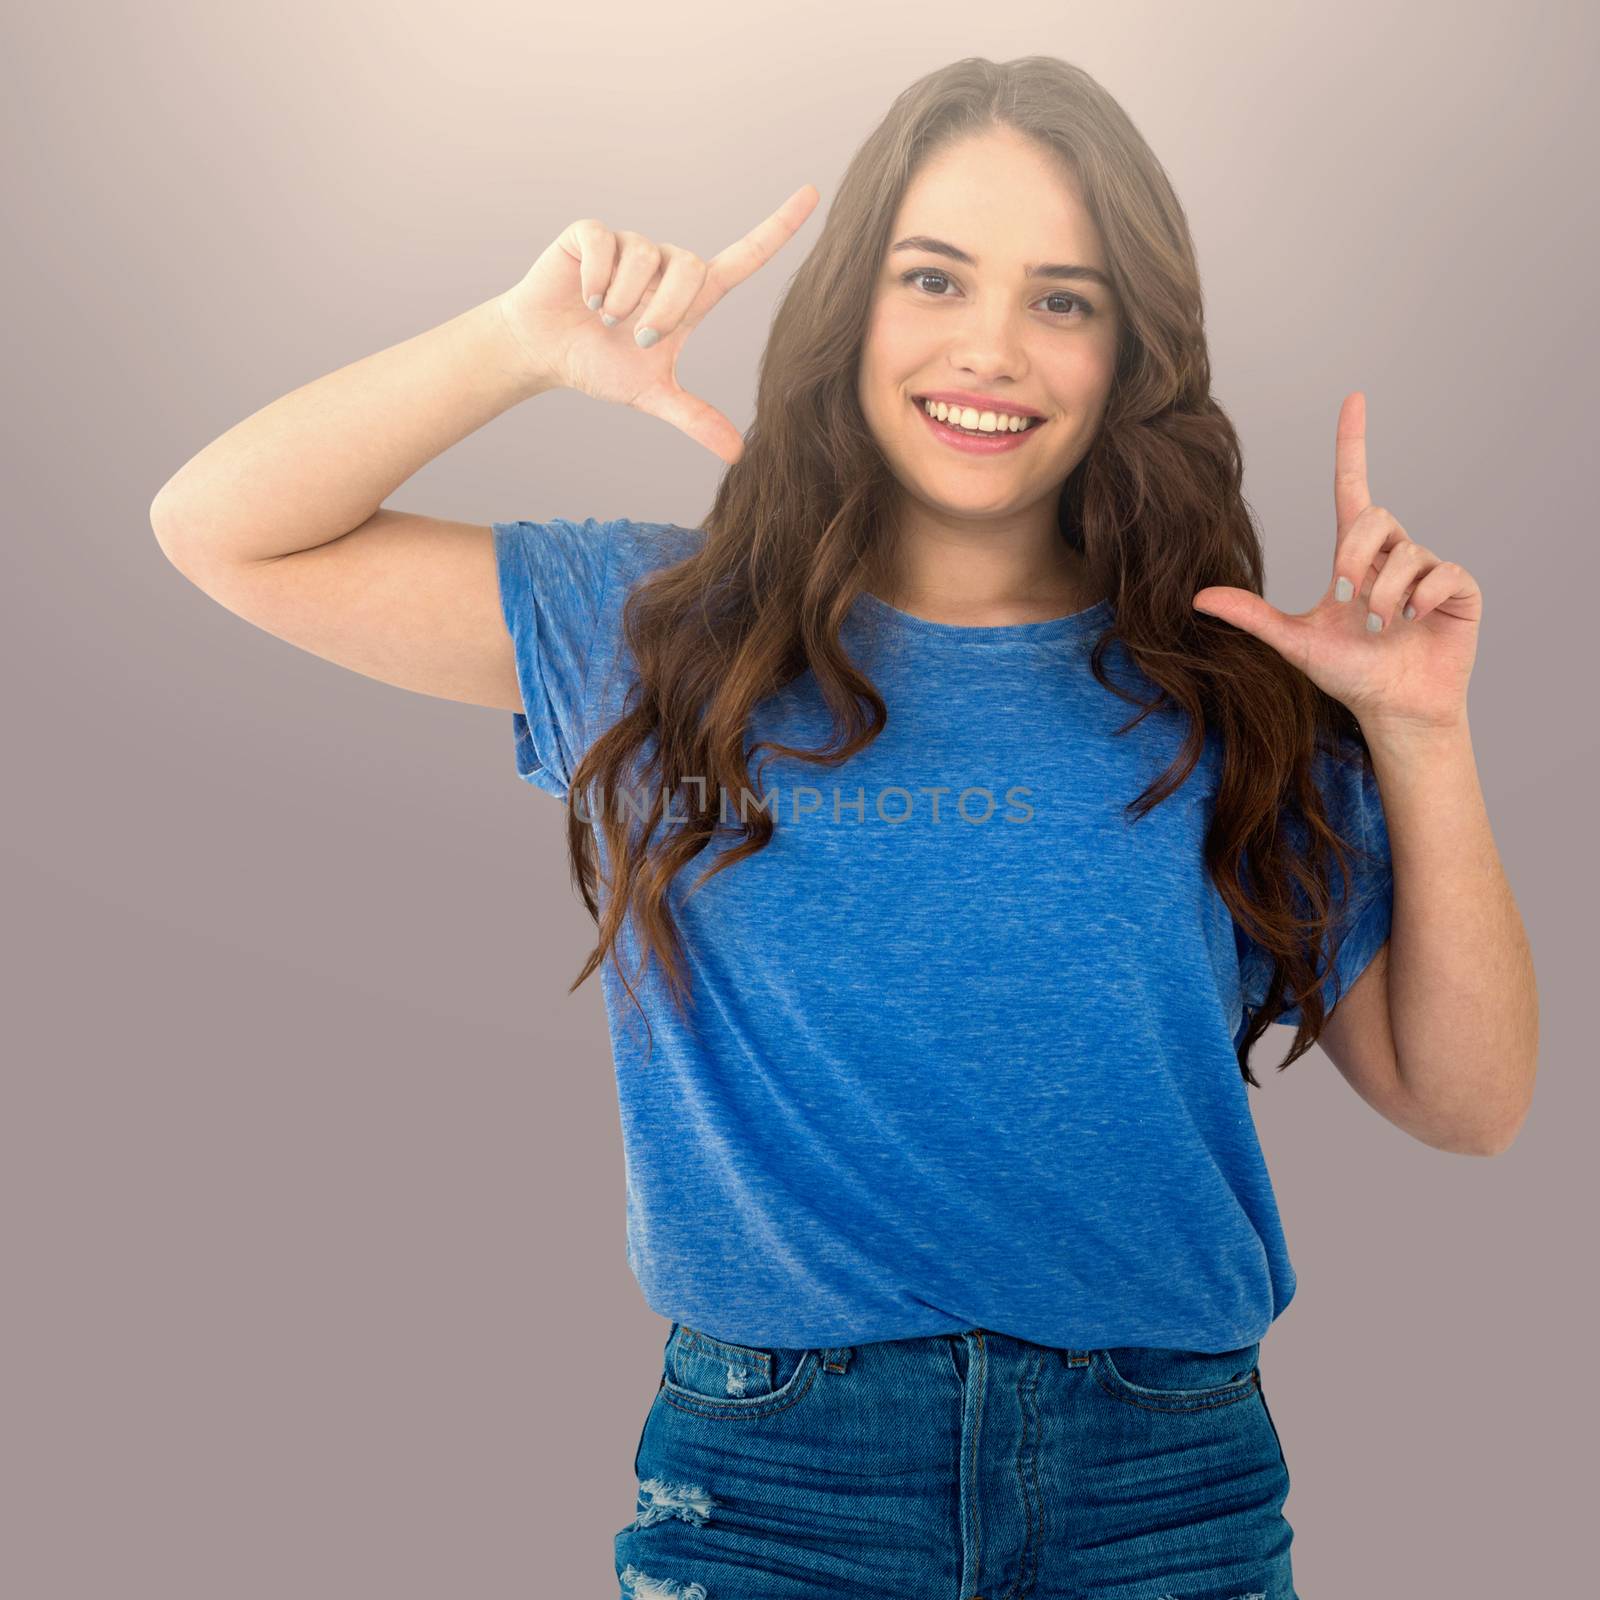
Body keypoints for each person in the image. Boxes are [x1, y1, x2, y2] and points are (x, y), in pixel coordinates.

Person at [150, 54, 1536, 1600]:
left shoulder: (1233, 692)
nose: (991, 349)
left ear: (1128, 350)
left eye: (1064, 300)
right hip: (776, 1494)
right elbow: (224, 529)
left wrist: (1418, 729)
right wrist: (514, 344)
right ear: (849, 309)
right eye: (933, 277)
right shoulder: (657, 628)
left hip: (1168, 1493)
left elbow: (1468, 1102)